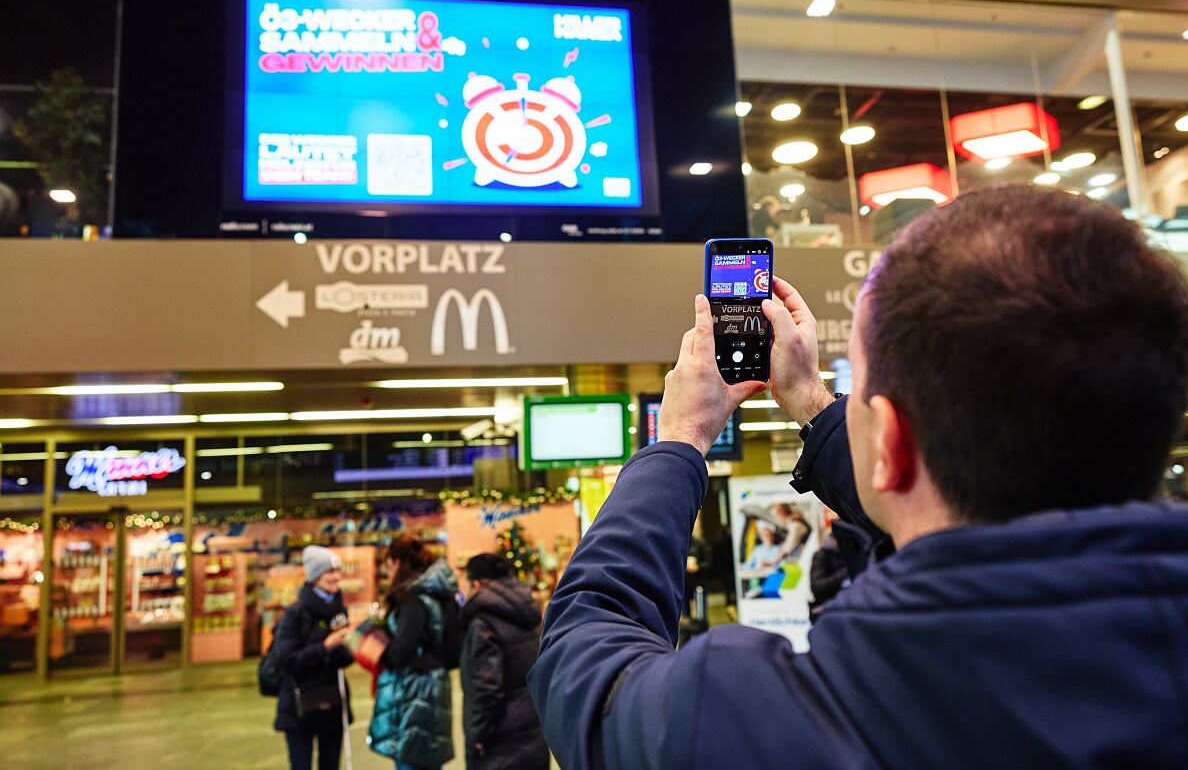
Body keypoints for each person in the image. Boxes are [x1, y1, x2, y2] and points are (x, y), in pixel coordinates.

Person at [528, 186, 1188, 768]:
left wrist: (680, 439)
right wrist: (815, 403)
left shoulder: (760, 721)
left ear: (892, 443)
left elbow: (586, 650)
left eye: (857, 393)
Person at [368, 536, 457, 770]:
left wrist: (371, 646)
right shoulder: (437, 593)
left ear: (396, 562)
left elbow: (401, 652)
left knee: (411, 758)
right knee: (428, 757)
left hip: (413, 690)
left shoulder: (413, 599)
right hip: (435, 685)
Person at [459, 553, 549, 770]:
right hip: (533, 732)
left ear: (477, 584)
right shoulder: (528, 613)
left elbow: (487, 688)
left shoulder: (483, 623)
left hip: (499, 743)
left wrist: (478, 736)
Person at [271, 545, 354, 770]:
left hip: (332, 703)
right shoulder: (295, 614)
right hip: (299, 707)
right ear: (315, 575)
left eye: (338, 571)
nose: (335, 577)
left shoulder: (339, 611)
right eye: (329, 572)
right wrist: (325, 647)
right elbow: (285, 659)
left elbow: (344, 660)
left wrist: (348, 646)